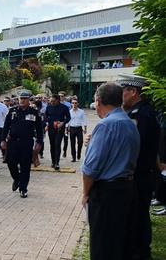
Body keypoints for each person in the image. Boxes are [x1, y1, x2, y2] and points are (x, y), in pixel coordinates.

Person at [81, 82, 140, 260]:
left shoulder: (105, 126)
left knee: (102, 246)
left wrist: (85, 193)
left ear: (98, 101)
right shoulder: (130, 122)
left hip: (106, 194)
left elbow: (90, 169)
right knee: (118, 244)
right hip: (127, 189)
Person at [118, 74, 161, 260]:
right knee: (135, 216)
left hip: (140, 175)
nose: (121, 96)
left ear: (133, 92)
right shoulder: (137, 112)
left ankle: (140, 253)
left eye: (123, 92)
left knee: (138, 217)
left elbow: (135, 146)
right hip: (140, 174)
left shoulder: (141, 115)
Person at [0, 90, 43, 198]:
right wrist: (3, 140)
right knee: (10, 162)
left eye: (24, 98)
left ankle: (23, 188)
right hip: (13, 141)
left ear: (29, 100)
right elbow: (6, 126)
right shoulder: (12, 111)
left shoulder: (34, 112)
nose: (22, 100)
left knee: (25, 166)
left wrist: (39, 142)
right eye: (21, 98)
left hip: (27, 142)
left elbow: (39, 129)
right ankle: (17, 179)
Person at [45, 94, 70, 170]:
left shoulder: (64, 107)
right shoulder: (49, 107)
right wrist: (48, 123)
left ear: (58, 100)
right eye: (51, 101)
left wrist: (63, 123)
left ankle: (57, 163)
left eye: (53, 101)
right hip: (51, 128)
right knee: (52, 145)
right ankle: (53, 161)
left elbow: (68, 117)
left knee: (57, 144)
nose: (51, 102)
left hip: (60, 128)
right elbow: (45, 116)